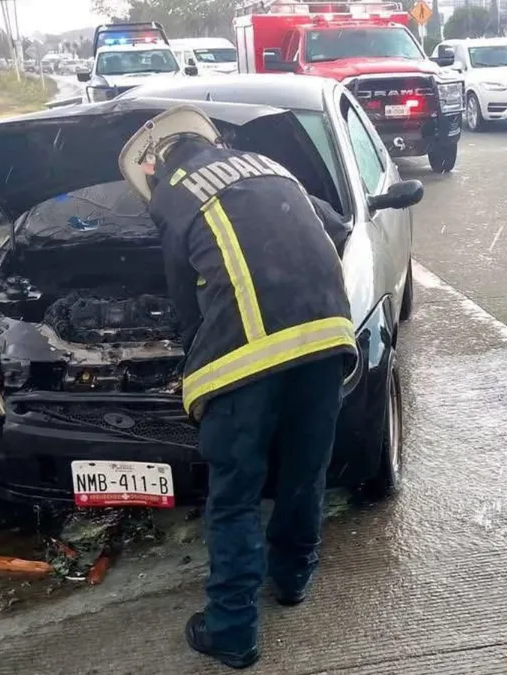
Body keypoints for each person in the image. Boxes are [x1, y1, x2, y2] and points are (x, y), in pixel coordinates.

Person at [122, 106, 358, 670]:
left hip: (246, 356)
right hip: (326, 336)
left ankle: (231, 629)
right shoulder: (272, 167)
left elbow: (184, 299)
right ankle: (294, 578)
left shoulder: (174, 191)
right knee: (305, 473)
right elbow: (338, 228)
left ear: (155, 166)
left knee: (235, 495)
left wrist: (190, 352)